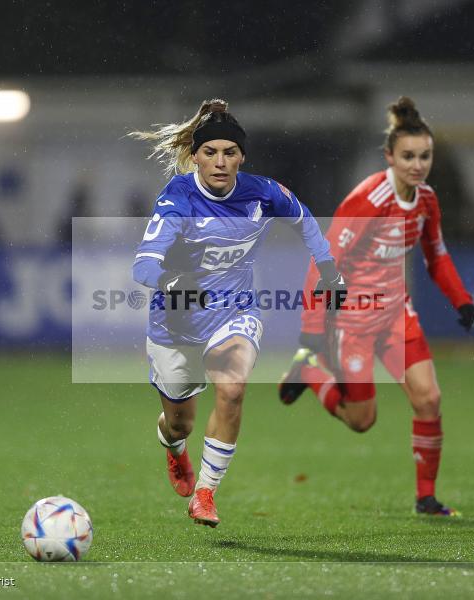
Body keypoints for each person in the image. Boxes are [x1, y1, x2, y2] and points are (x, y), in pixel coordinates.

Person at [130, 99, 346, 528]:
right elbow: (143, 264)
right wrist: (170, 281)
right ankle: (175, 452)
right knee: (180, 423)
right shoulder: (178, 198)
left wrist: (328, 270)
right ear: (195, 156)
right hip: (175, 320)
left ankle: (206, 493)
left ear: (242, 157)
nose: (220, 162)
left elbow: (303, 218)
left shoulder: (262, 191)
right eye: (210, 152)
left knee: (232, 388)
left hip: (235, 310)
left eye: (230, 152)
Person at [278, 97, 474, 517]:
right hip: (351, 321)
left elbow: (436, 255)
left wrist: (460, 300)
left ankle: (426, 498)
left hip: (394, 316)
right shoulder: (368, 200)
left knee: (429, 399)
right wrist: (313, 331)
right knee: (361, 420)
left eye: (425, 156)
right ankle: (310, 371)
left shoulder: (426, 201)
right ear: (389, 156)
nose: (417, 164)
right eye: (408, 156)